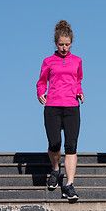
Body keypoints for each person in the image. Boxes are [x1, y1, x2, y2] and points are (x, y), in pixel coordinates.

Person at [36, 20, 84, 201]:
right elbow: (41, 82)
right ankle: (55, 169)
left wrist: (79, 92)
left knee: (71, 146)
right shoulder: (48, 61)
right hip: (53, 106)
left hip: (72, 107)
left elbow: (78, 80)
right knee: (55, 143)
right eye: (61, 44)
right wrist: (41, 93)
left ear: (71, 43)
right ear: (56, 43)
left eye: (67, 44)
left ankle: (69, 185)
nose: (64, 48)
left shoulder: (77, 61)